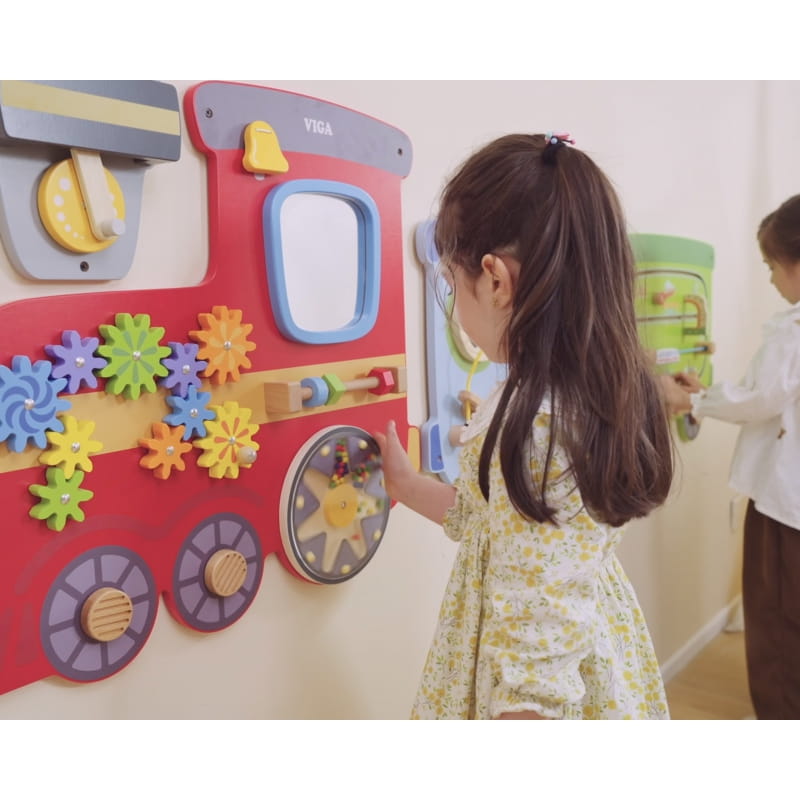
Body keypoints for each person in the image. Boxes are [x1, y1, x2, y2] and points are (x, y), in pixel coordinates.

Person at [375, 133, 674, 720]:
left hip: (536, 692)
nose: (456, 306)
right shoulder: (553, 393)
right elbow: (490, 522)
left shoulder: (539, 427)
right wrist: (408, 486)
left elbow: (539, 648)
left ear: (495, 280)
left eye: (452, 285)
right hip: (569, 646)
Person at [660, 194, 800, 720]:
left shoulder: (794, 329)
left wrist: (693, 401)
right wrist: (711, 394)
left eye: (771, 266)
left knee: (776, 619)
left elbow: (765, 396)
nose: (771, 280)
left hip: (785, 505)